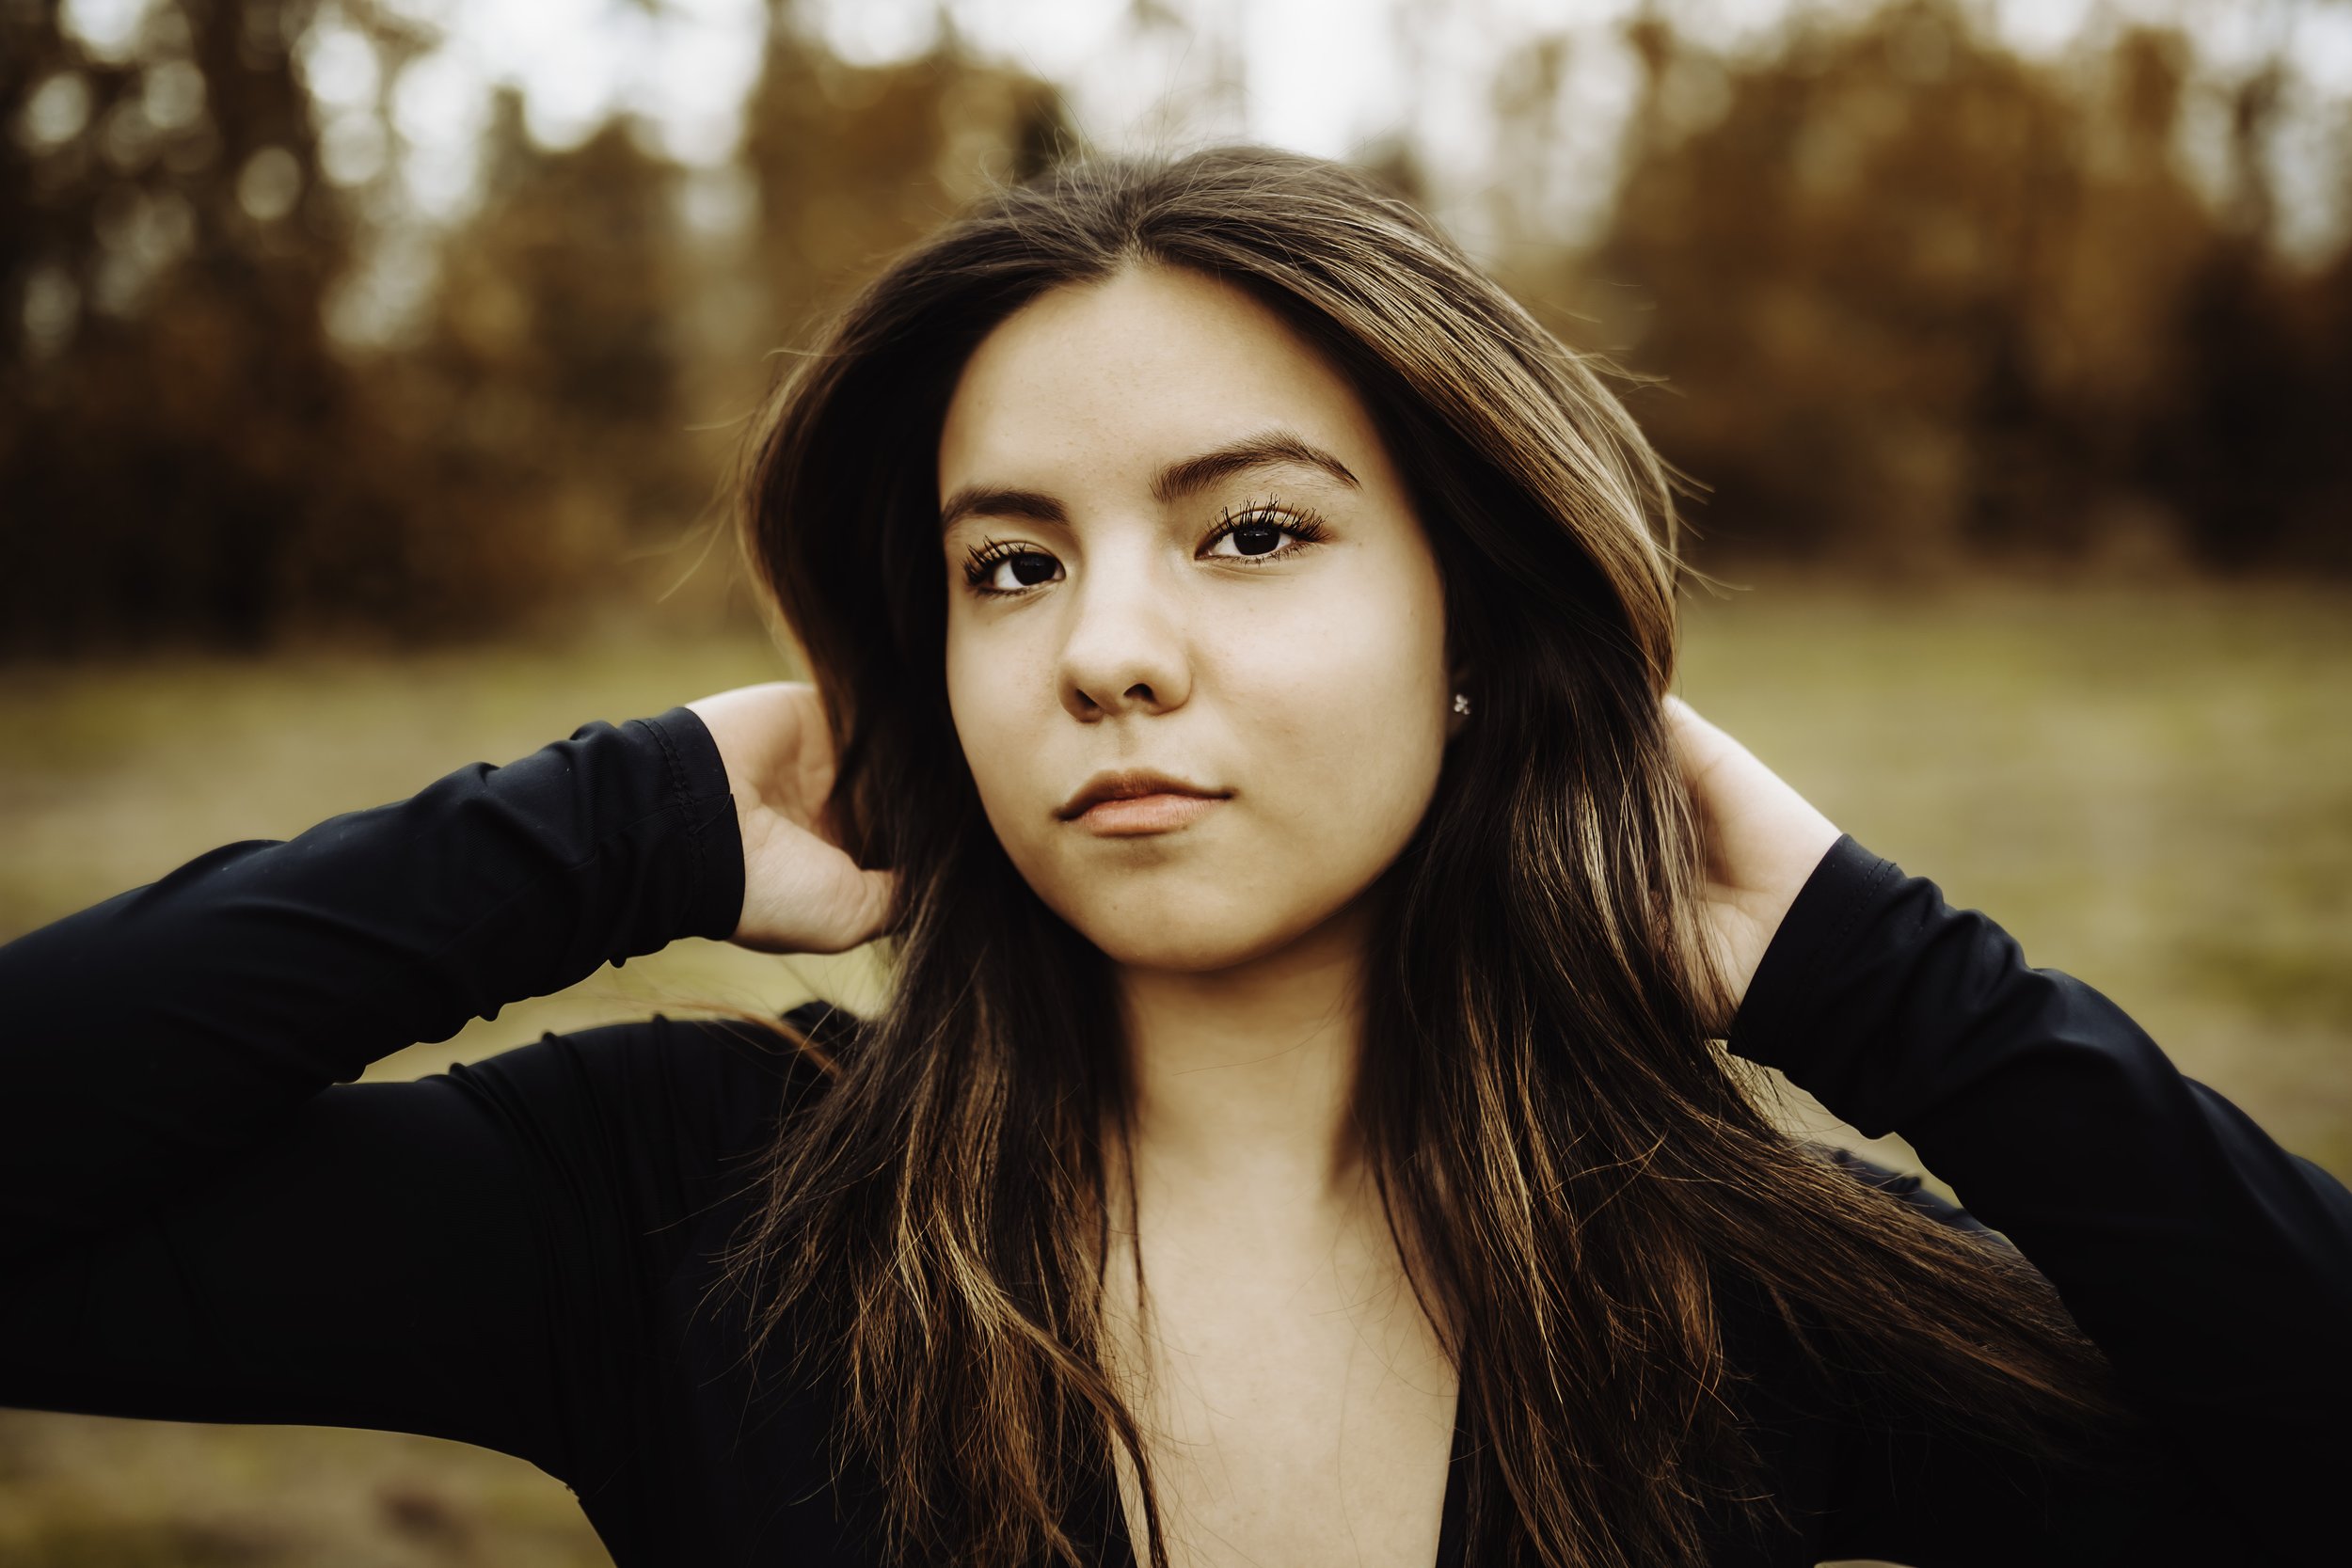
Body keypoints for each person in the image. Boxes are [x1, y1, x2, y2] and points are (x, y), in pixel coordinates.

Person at [1, 145, 2344, 1568]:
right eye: (1006, 566)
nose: (1104, 650)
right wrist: (617, 826)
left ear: (1468, 622)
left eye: (1248, 532)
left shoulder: (1722, 1283)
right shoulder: (694, 1203)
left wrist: (1888, 978)